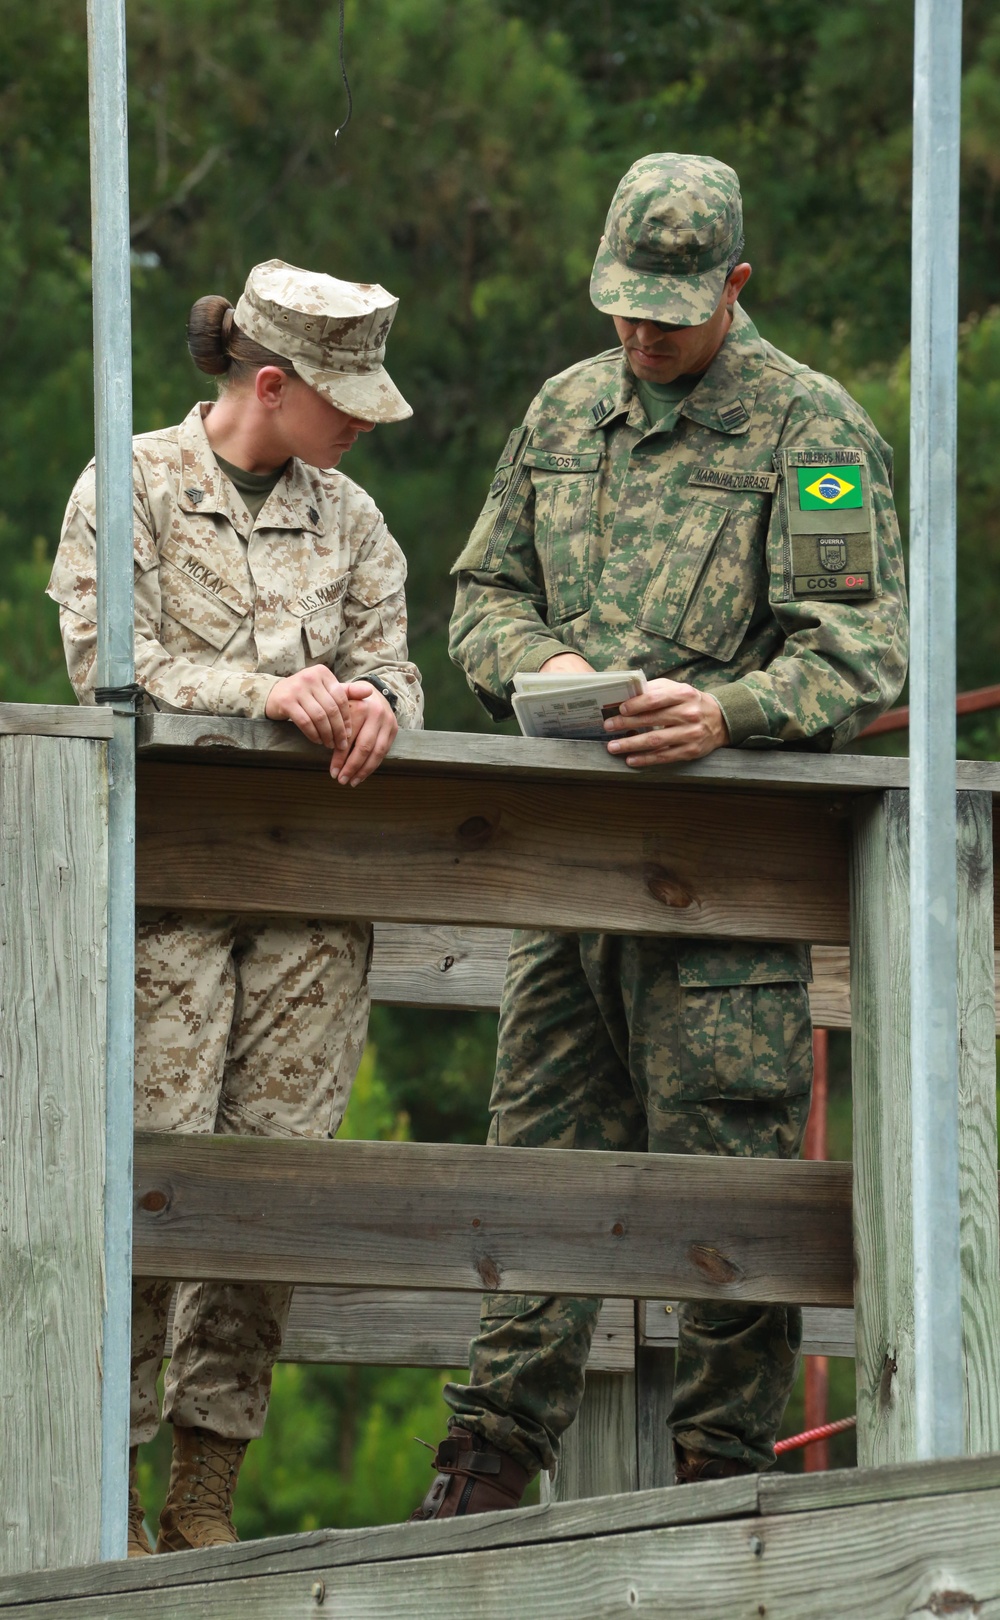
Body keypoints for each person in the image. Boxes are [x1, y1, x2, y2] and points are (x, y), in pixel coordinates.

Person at [411, 152, 907, 1519]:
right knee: (535, 1178)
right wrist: (535, 668)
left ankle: (724, 1500)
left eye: (669, 313)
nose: (640, 335)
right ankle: (486, 1481)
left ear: (737, 287)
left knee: (725, 1212)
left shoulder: (812, 437)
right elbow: (480, 593)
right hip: (566, 878)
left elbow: (862, 657)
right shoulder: (565, 412)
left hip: (722, 895)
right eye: (623, 307)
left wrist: (730, 711)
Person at [47, 259, 423, 1555]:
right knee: (145, 1178)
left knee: (270, 1191)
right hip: (167, 899)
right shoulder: (133, 485)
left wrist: (382, 705)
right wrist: (257, 690)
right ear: (272, 384)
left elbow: (398, 670)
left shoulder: (356, 523)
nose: (364, 426)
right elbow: (105, 661)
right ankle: (108, 1486)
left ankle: (204, 1492)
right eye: (346, 402)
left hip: (315, 906)